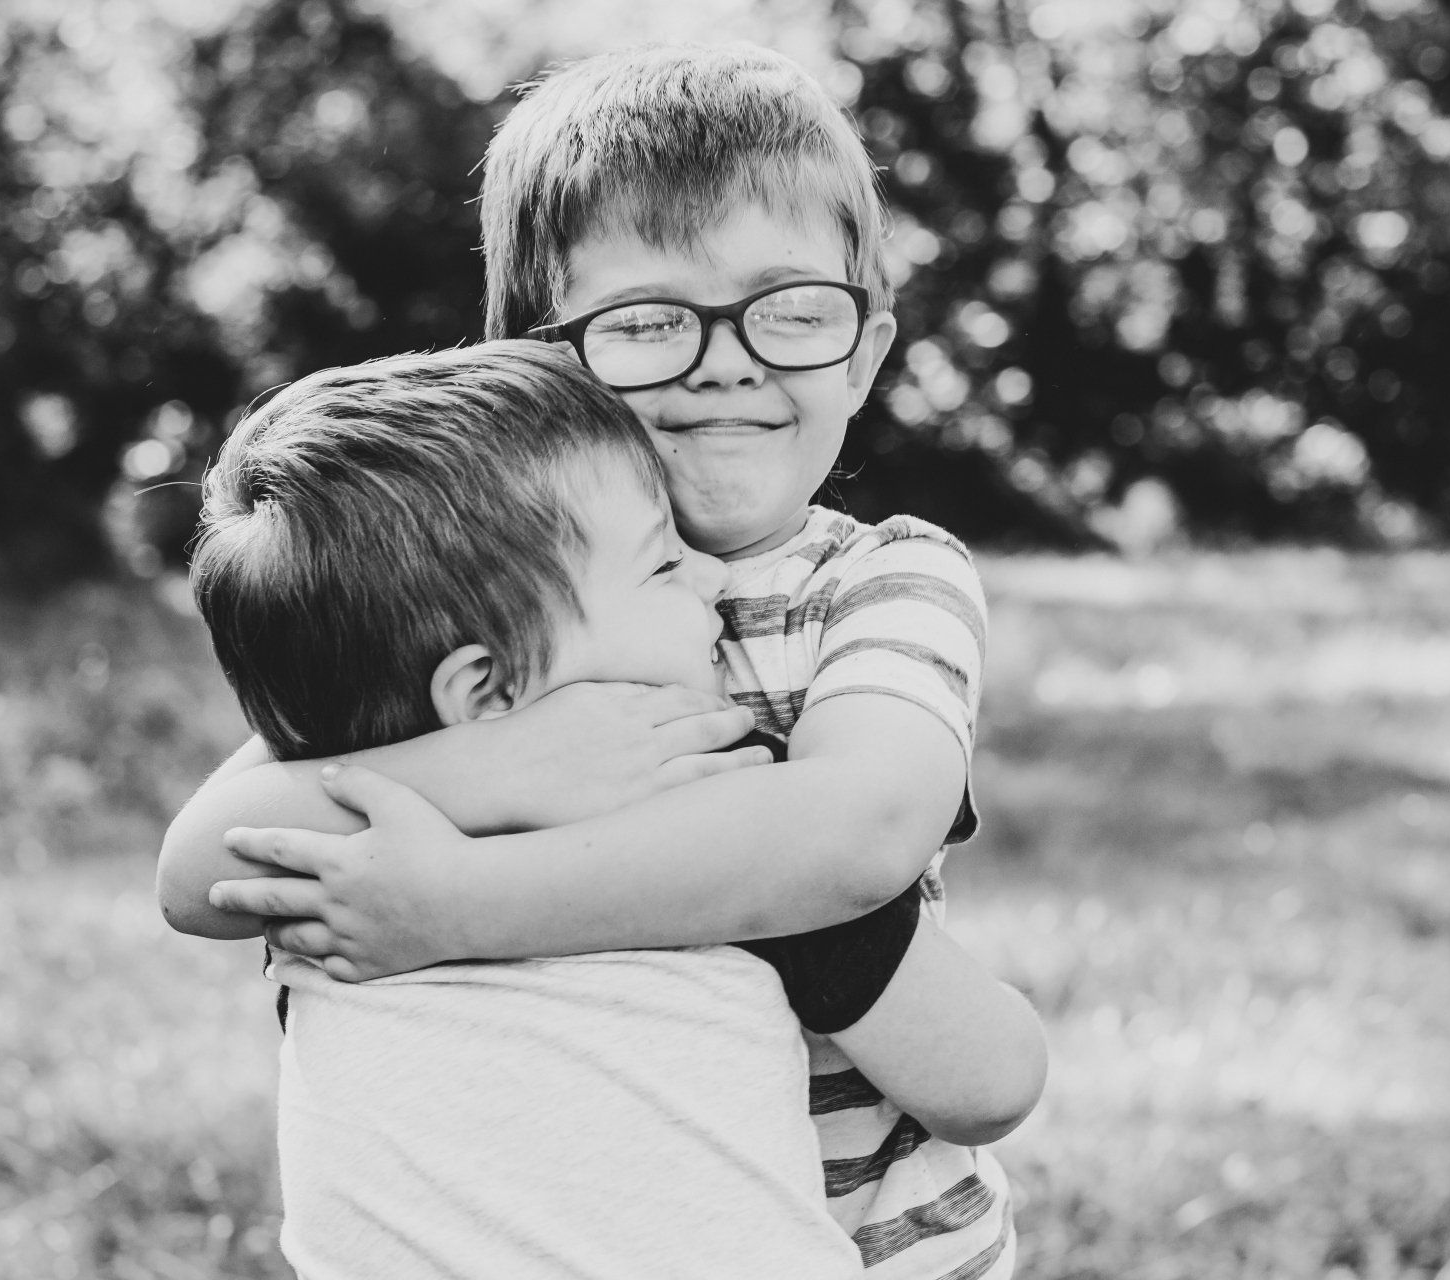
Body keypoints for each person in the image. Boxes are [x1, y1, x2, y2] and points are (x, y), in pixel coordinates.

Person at [161, 45, 1041, 1277]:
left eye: (793, 309)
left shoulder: (880, 581)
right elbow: (208, 862)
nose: (727, 359)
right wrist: (508, 762)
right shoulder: (470, 581)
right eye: (647, 321)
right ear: (538, 362)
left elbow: (859, 830)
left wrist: (462, 903)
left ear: (864, 349)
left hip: (872, 1240)